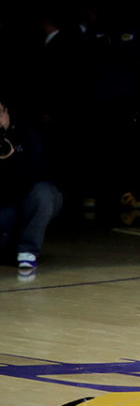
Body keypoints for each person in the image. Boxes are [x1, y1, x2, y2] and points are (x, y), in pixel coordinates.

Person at [0, 99, 63, 275]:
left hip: (28, 200)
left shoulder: (26, 133)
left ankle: (27, 251)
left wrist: (11, 158)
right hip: (6, 208)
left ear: (6, 112)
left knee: (45, 193)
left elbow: (39, 172)